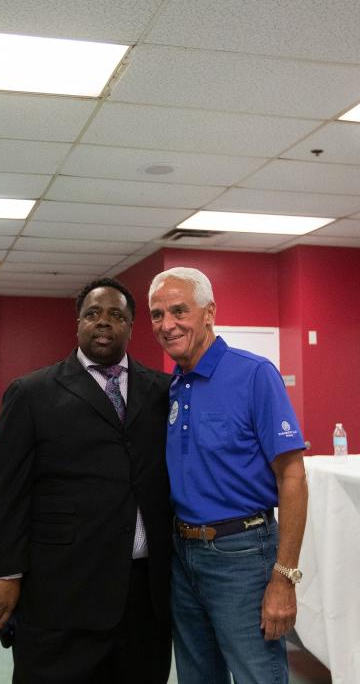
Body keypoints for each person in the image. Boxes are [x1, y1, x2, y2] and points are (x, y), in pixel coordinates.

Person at [0, 277, 172, 684]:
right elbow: (4, 491)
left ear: (131, 328)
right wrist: (5, 573)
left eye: (116, 315)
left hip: (144, 596)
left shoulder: (162, 391)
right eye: (93, 314)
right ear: (78, 324)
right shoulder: (32, 393)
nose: (104, 322)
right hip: (62, 590)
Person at [148, 267, 308, 684]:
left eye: (179, 310)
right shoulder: (173, 387)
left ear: (208, 313)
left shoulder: (254, 374)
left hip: (242, 556)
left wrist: (284, 577)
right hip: (183, 555)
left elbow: (292, 476)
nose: (167, 325)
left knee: (259, 675)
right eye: (157, 314)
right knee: (197, 676)